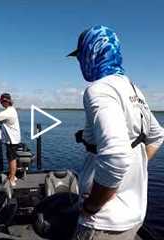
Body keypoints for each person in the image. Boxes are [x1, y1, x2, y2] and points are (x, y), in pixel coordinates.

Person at [67, 25, 164, 240]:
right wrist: (132, 171)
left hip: (103, 222)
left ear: (92, 53)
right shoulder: (133, 90)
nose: (80, 63)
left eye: (81, 56)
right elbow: (157, 136)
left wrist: (92, 205)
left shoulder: (99, 89)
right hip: (133, 215)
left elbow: (117, 157)